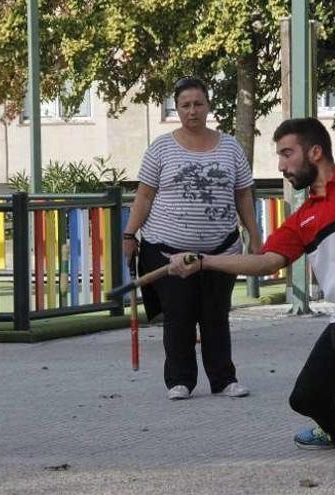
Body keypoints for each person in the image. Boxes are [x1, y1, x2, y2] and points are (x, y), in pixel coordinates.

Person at [168, 118, 335, 473]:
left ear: (315, 151)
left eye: (287, 153)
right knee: (306, 396)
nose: (281, 165)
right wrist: (203, 261)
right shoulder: (304, 217)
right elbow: (265, 262)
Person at [122, 77, 262, 400]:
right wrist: (130, 233)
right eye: (185, 105)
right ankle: (179, 381)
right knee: (179, 315)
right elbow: (144, 196)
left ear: (208, 106)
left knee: (215, 314)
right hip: (168, 249)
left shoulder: (230, 147)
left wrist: (254, 236)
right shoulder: (160, 147)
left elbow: (243, 195)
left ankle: (224, 378)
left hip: (221, 248)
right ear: (177, 109)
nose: (192, 111)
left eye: (198, 103)